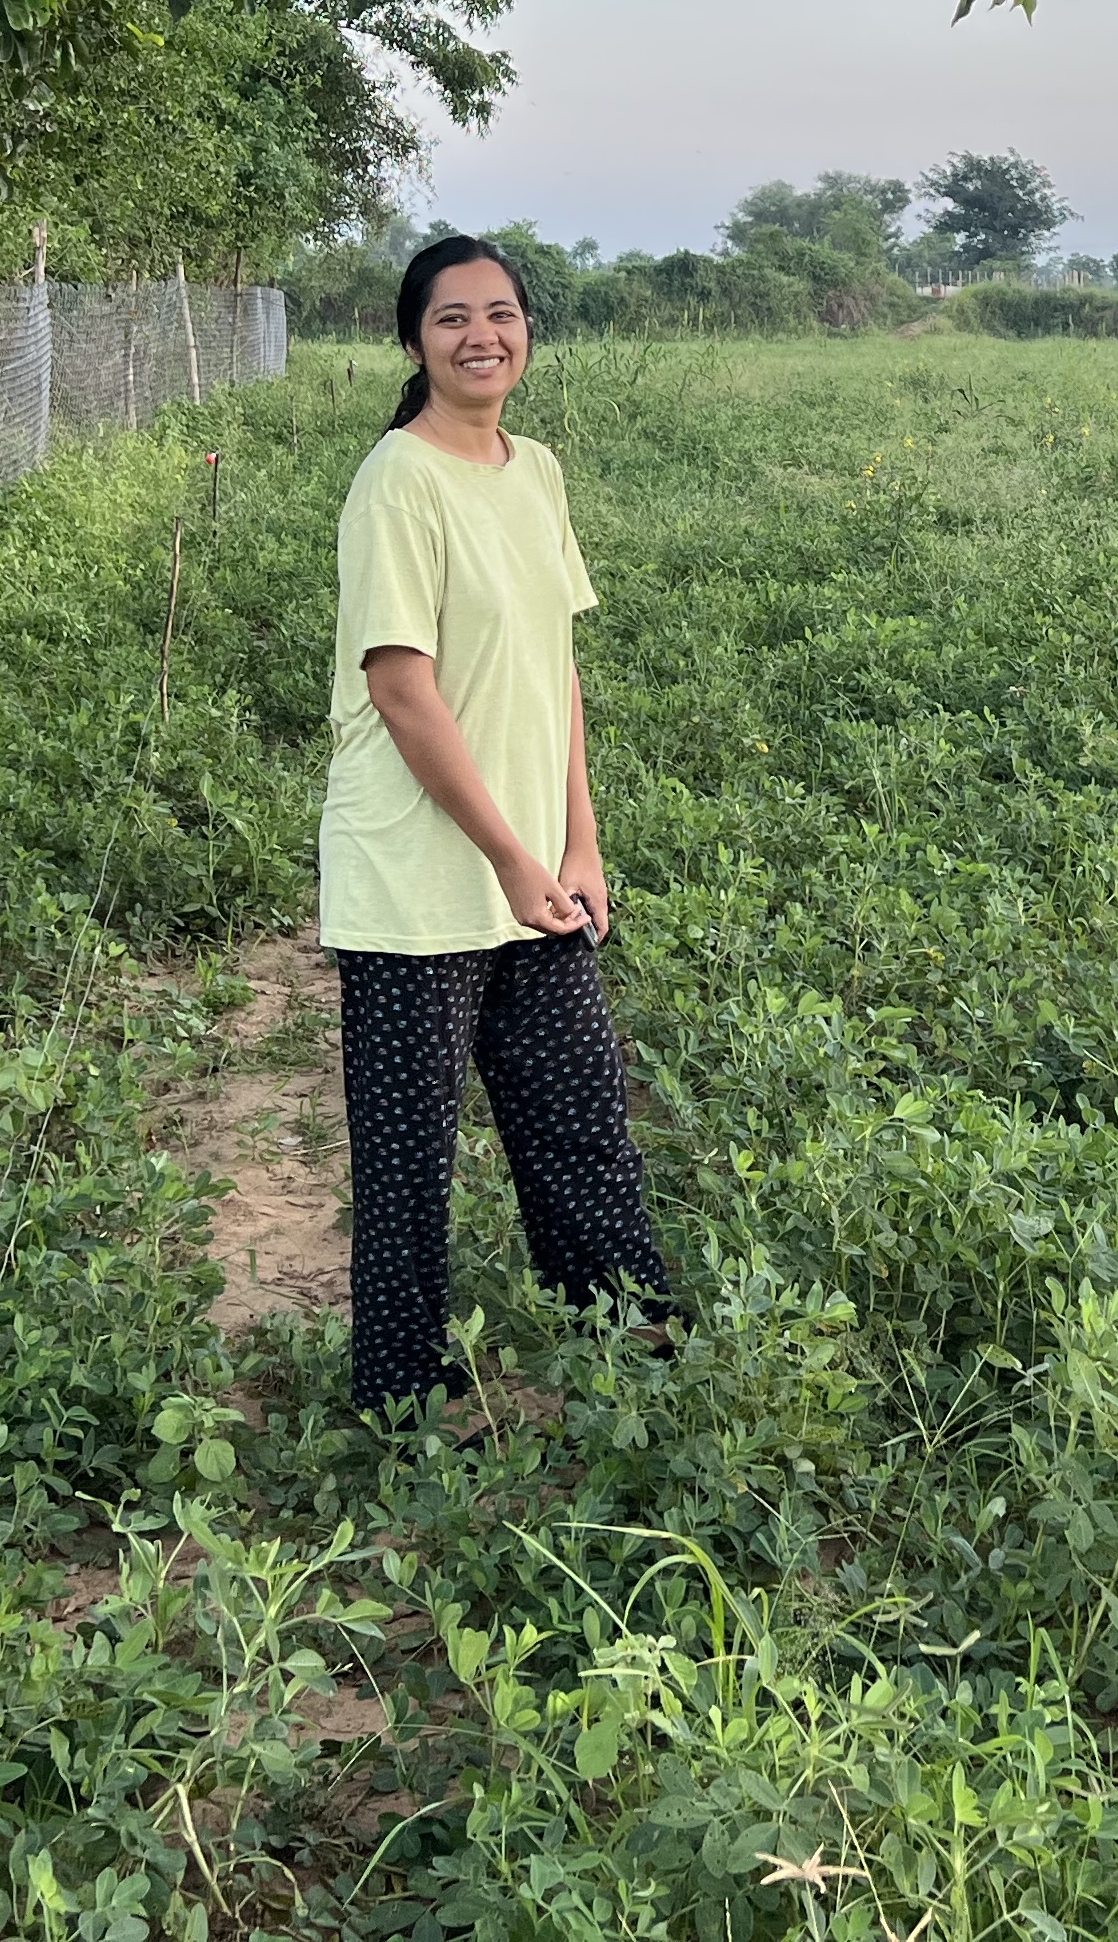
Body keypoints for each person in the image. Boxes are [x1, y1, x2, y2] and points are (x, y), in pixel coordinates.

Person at [321, 234, 670, 1425]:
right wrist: (511, 859)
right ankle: (403, 1413)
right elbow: (402, 687)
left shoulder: (537, 471)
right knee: (411, 1169)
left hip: (531, 875)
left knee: (583, 1130)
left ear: (528, 331)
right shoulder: (398, 480)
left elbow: (555, 668)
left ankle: (636, 1357)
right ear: (414, 341)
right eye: (453, 319)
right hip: (419, 884)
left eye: (502, 315)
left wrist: (577, 845)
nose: (483, 337)